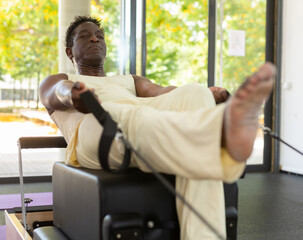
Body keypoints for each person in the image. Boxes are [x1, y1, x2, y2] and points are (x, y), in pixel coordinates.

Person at [39, 16, 275, 240]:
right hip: (95, 126)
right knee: (131, 113)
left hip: (145, 117)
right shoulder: (60, 78)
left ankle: (216, 142)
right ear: (70, 51)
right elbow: (55, 92)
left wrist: (207, 93)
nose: (95, 39)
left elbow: (162, 93)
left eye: (100, 35)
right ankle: (220, 146)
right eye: (85, 36)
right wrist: (72, 94)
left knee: (194, 93)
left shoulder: (129, 80)